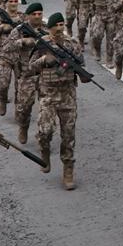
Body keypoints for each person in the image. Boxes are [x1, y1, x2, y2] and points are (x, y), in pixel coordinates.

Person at [31, 13, 90, 190]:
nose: (59, 27)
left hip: (67, 94)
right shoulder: (42, 43)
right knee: (44, 131)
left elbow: (81, 65)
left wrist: (78, 71)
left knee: (68, 134)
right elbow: (29, 67)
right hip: (48, 94)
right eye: (55, 25)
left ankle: (68, 170)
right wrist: (43, 60)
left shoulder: (72, 44)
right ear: (49, 28)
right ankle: (45, 153)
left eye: (61, 24)